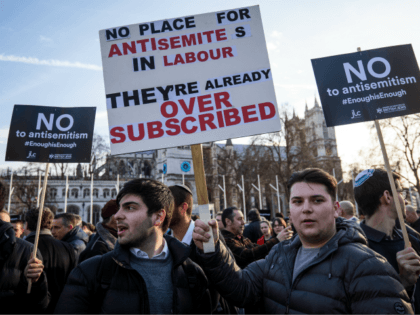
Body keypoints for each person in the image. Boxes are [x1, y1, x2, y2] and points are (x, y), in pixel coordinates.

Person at [192, 168, 414, 314]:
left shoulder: (368, 266)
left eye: (317, 200)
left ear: (336, 209)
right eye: (298, 201)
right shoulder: (279, 254)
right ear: (290, 209)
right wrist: (212, 250)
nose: (306, 208)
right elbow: (241, 288)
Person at [55, 178, 212, 315]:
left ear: (158, 217)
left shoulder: (193, 273)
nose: (117, 215)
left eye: (130, 207)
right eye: (120, 207)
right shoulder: (90, 271)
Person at [354, 168, 420, 314]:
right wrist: (403, 284)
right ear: (387, 197)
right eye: (401, 193)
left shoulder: (411, 239)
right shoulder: (356, 251)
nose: (405, 200)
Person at [25, 207, 77, 315]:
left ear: (27, 225)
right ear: (50, 224)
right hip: (60, 307)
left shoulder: (23, 248)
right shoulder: (68, 248)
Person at [221, 206, 292, 269]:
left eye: (243, 219)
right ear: (228, 222)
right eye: (240, 219)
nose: (244, 222)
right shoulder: (226, 241)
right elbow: (248, 255)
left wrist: (279, 245)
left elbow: (258, 248)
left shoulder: (242, 238)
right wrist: (277, 240)